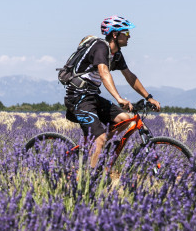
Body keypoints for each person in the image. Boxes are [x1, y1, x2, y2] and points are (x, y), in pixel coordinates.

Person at [64, 15, 161, 167]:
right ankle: (87, 181)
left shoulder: (116, 54)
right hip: (78, 98)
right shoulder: (100, 47)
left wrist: (148, 97)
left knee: (124, 119)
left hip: (92, 96)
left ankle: (95, 150)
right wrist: (119, 98)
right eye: (126, 33)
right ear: (115, 34)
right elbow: (103, 72)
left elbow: (130, 76)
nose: (129, 36)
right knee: (100, 139)